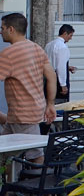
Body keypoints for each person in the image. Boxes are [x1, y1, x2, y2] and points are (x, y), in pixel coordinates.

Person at [0, 13, 57, 163]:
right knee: (4, 154)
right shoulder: (36, 48)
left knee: (35, 154)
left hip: (24, 114)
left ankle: (38, 184)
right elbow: (51, 76)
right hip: (26, 111)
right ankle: (11, 183)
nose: (1, 31)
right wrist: (50, 104)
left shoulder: (8, 54)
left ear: (11, 29)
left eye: (2, 28)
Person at [44, 24, 77, 103]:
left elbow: (51, 61)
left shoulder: (49, 45)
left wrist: (67, 67)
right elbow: (60, 66)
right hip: (58, 81)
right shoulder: (62, 47)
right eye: (70, 35)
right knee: (60, 106)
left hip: (48, 78)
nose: (71, 38)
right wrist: (63, 84)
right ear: (65, 33)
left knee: (48, 102)